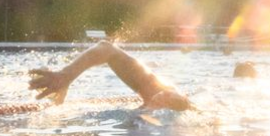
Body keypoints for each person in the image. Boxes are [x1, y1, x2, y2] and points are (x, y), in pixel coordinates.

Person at [29, 40, 192, 111]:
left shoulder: (166, 102)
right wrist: (66, 75)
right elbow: (106, 49)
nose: (163, 97)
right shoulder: (153, 89)